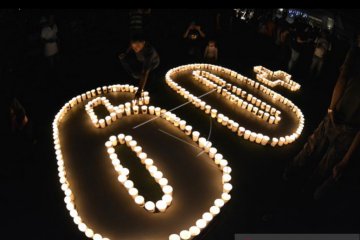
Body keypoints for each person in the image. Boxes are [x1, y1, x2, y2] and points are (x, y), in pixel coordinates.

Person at [283, 33, 360, 199]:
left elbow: (342, 78)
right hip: (352, 128)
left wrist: (331, 108)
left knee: (314, 144)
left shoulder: (356, 53)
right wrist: (345, 160)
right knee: (328, 160)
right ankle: (306, 187)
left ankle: (292, 173)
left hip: (339, 115)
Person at [118, 33, 160, 100]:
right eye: (134, 46)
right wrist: (125, 53)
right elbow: (130, 46)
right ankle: (134, 74)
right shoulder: (134, 45)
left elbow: (145, 72)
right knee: (124, 60)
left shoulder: (149, 52)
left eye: (138, 46)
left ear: (143, 43)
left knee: (140, 75)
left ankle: (150, 82)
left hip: (153, 63)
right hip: (141, 60)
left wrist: (139, 91)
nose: (135, 49)